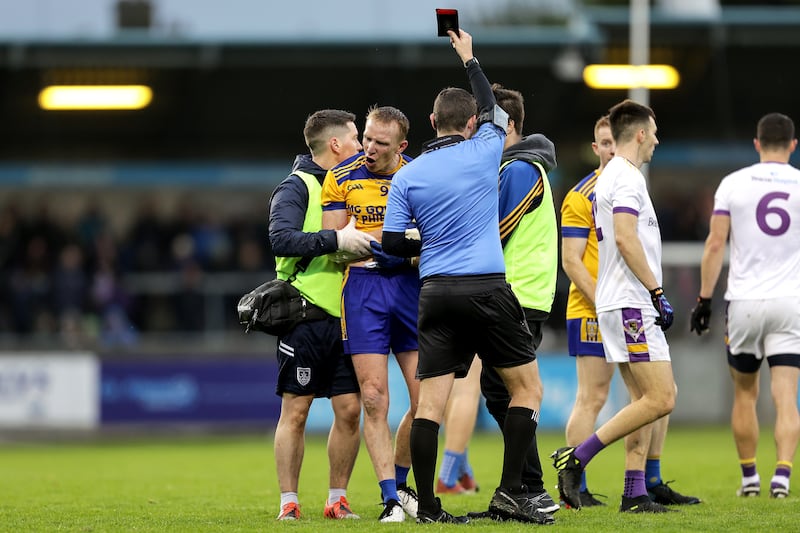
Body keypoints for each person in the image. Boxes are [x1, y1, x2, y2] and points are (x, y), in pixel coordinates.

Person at [382, 28, 551, 525]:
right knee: (527, 390)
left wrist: (426, 244)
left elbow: (393, 245)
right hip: (486, 288)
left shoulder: (406, 175)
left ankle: (429, 508)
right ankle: (511, 492)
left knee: (430, 402)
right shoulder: (485, 150)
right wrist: (468, 57)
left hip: (434, 292)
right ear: (474, 124)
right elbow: (494, 112)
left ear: (431, 123)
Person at [561, 115, 700, 508]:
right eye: (654, 132)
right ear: (640, 134)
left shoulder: (613, 177)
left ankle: (635, 490)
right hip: (630, 304)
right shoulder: (625, 178)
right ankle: (577, 459)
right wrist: (656, 291)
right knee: (660, 398)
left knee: (649, 397)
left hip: (623, 303)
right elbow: (623, 237)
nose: (656, 139)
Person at [267, 109, 375, 521]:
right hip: (305, 318)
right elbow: (280, 239)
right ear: (336, 145)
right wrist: (336, 238)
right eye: (356, 139)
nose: (363, 146)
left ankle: (337, 499)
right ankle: (289, 503)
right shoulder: (296, 187)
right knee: (296, 410)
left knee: (349, 410)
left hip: (348, 317)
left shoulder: (353, 186)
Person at [691, 112, 800, 499]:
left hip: (745, 304)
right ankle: (783, 477)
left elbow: (715, 244)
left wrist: (703, 299)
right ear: (792, 145)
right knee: (786, 395)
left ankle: (751, 479)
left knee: (744, 394)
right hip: (791, 302)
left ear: (757, 144)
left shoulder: (733, 184)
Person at [321, 105, 420, 522]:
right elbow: (337, 241)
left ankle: (400, 481)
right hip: (361, 291)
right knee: (375, 398)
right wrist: (397, 241)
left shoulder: (418, 174)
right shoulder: (340, 176)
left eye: (381, 142)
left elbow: (429, 236)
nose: (369, 148)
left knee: (427, 402)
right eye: (366, 137)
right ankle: (391, 500)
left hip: (411, 290)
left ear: (401, 146)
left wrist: (372, 239)